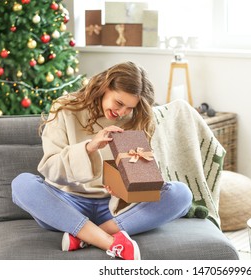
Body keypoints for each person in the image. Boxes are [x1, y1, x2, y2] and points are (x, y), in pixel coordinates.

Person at [11, 61, 193, 260]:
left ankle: (84, 236)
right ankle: (109, 242)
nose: (122, 112)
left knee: (181, 194)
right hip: (68, 204)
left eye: (129, 107)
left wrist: (125, 191)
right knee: (22, 184)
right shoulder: (65, 108)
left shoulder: (136, 119)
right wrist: (90, 147)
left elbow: (142, 182)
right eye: (119, 103)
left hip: (114, 209)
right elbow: (51, 169)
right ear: (105, 86)